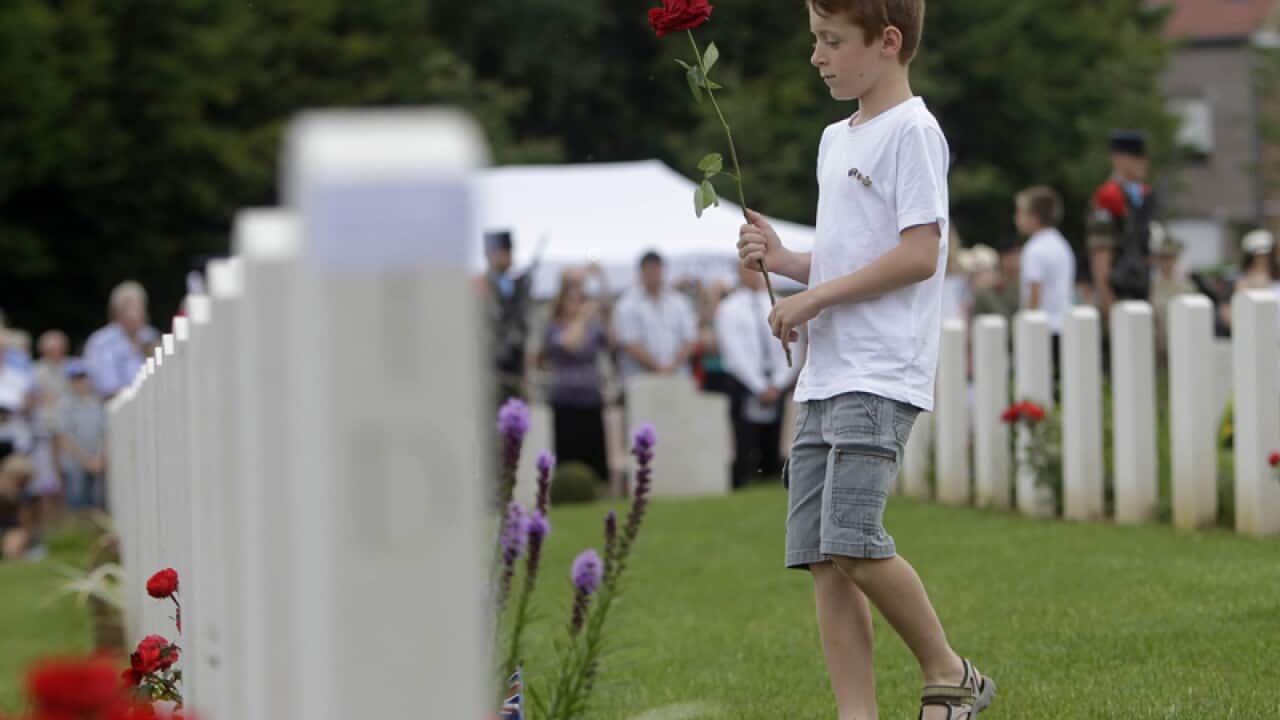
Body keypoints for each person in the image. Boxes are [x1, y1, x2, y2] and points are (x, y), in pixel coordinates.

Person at [738, 2, 995, 717]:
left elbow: (919, 253)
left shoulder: (914, 132)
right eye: (815, 40)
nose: (817, 56)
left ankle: (951, 675)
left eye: (831, 41)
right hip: (827, 377)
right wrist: (785, 260)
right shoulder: (833, 139)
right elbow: (850, 254)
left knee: (853, 541)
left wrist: (813, 302)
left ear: (887, 43)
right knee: (823, 560)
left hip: (880, 373)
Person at [716, 265, 802, 489]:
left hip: (776, 380)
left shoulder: (779, 303)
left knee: (774, 441)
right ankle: (744, 481)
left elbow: (794, 344)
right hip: (744, 383)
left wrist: (778, 383)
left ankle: (772, 477)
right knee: (745, 440)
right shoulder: (729, 308)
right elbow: (734, 352)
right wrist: (758, 385)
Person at [541, 269, 611, 486]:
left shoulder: (592, 327)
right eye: (572, 301)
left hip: (590, 397)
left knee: (594, 457)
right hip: (565, 400)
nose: (577, 305)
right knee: (568, 454)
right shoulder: (554, 328)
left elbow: (611, 338)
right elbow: (569, 343)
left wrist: (601, 280)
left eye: (581, 301)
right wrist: (582, 317)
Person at [1087, 130, 1158, 316]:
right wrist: (1109, 304)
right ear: (1118, 159)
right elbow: (1101, 254)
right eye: (1136, 157)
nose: (1143, 163)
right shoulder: (1108, 198)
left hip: (1138, 292)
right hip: (1117, 294)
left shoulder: (1142, 196)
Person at [611, 251, 698, 387]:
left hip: (677, 378)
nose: (652, 274)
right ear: (641, 272)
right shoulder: (627, 303)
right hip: (640, 380)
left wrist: (672, 367)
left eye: (656, 269)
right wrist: (658, 368)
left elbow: (689, 338)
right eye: (648, 269)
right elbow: (630, 343)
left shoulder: (679, 302)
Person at [1015, 185, 1076, 378]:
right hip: (1065, 323)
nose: (1016, 218)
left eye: (1020, 213)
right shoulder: (1062, 244)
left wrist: (1026, 327)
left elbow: (1035, 293)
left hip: (1043, 329)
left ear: (1034, 218)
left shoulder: (1034, 249)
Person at [481, 230, 535, 405]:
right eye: (506, 253)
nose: (511, 258)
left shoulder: (512, 285)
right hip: (492, 370)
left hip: (514, 369)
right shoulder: (484, 287)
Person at [84, 281, 159, 400]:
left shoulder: (150, 335)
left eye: (139, 307)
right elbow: (106, 384)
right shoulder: (102, 342)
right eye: (130, 308)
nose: (135, 314)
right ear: (118, 312)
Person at [55, 359, 107, 512]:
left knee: (97, 503)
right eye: (76, 379)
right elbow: (64, 438)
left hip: (98, 462)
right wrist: (87, 460)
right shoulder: (64, 405)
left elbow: (104, 433)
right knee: (77, 503)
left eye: (83, 377)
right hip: (75, 464)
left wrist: (99, 457)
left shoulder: (97, 402)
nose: (80, 382)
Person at [1147, 222, 1196, 361]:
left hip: (1181, 341)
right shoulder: (1152, 284)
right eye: (1163, 257)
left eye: (1170, 257)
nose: (1166, 262)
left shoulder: (1186, 285)